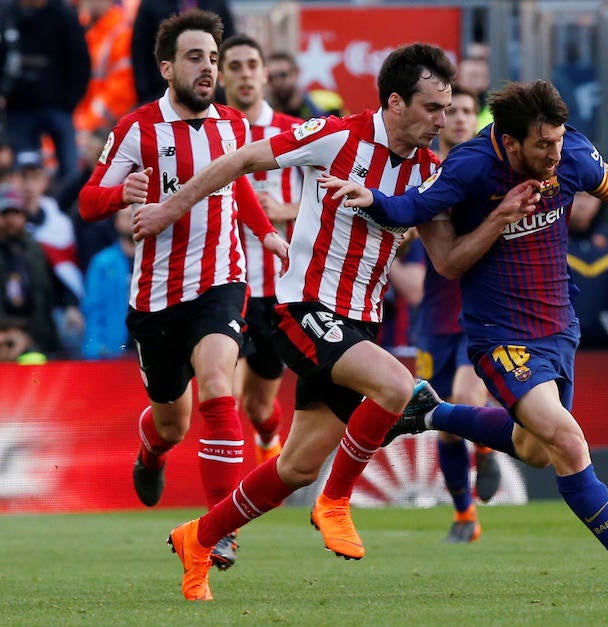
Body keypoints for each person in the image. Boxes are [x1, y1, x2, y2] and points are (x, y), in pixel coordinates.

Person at [130, 43, 531, 602]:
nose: (443, 121)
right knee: (398, 388)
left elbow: (447, 262)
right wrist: (175, 205)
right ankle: (336, 500)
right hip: (303, 308)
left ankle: (199, 537)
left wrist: (499, 222)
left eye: (447, 109)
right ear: (396, 102)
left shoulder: (429, 171)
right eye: (433, 108)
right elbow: (242, 160)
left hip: (360, 324)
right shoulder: (338, 135)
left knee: (294, 467)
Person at [320, 79, 608, 592]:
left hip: (558, 328)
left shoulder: (574, 156)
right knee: (567, 439)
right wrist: (375, 201)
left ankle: (430, 411)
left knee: (536, 449)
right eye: (543, 144)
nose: (554, 153)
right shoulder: (470, 167)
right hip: (498, 334)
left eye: (559, 140)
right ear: (510, 141)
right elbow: (414, 209)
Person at [78, 10, 288, 579]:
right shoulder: (136, 129)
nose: (208, 69)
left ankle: (221, 531)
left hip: (221, 280)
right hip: (155, 298)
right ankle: (150, 451)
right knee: (173, 422)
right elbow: (88, 200)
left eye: (213, 60)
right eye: (196, 58)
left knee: (221, 382)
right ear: (167, 66)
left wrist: (266, 233)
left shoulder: (233, 127)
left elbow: (235, 181)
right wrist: (123, 192)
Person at [417, 83, 501, 543]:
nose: (462, 118)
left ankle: (485, 452)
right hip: (434, 318)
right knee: (442, 422)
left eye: (470, 110)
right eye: (454, 110)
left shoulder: (488, 172)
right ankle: (465, 515)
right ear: (441, 118)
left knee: (468, 401)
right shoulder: (424, 172)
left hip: (478, 310)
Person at [218, 34, 303, 466]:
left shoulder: (294, 133)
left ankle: (268, 438)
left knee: (257, 407)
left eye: (252, 64)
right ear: (220, 76)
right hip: (225, 285)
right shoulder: (212, 135)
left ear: (264, 73)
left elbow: (331, 200)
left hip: (277, 290)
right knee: (220, 397)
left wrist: (286, 209)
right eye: (234, 66)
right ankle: (225, 509)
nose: (245, 74)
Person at [0, 0, 91, 195]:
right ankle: (26, 218)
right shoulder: (7, 13)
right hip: (19, 109)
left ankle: (69, 215)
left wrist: (70, 100)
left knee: (70, 171)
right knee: (23, 172)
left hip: (58, 108)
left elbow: (81, 59)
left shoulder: (63, 15)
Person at [14, 152, 85, 354]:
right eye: (22, 178)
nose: (28, 186)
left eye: (34, 178)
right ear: (13, 180)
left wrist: (71, 305)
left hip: (53, 307)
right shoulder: (4, 222)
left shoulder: (59, 223)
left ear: (44, 181)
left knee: (72, 334)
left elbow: (67, 270)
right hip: (13, 311)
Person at [130, 0, 235, 105]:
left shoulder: (216, 3)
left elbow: (229, 47)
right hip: (159, 90)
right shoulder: (151, 4)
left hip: (212, 95)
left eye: (212, 60)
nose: (207, 65)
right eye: (194, 58)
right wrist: (145, 94)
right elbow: (140, 52)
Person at [0, 184, 58, 359]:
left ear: (24, 216)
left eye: (16, 213)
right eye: (5, 214)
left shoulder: (35, 250)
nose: (11, 220)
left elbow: (45, 292)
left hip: (37, 334)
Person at [566, 191, 608, 350]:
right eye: (576, 195)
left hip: (607, 341)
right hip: (560, 339)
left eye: (589, 197)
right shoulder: (546, 241)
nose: (582, 203)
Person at [73, 0, 137, 139]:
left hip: (105, 129)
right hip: (86, 123)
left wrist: (85, 123)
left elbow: (121, 94)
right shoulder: (92, 33)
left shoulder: (121, 34)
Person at [80, 207, 133, 359]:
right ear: (116, 222)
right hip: (113, 350)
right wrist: (95, 347)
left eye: (135, 213)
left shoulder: (156, 260)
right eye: (126, 216)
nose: (132, 219)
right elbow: (93, 308)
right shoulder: (102, 262)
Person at [264, 51, 345, 120]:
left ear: (296, 73)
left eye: (283, 75)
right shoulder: (268, 114)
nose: (277, 82)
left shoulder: (328, 103)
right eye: (271, 77)